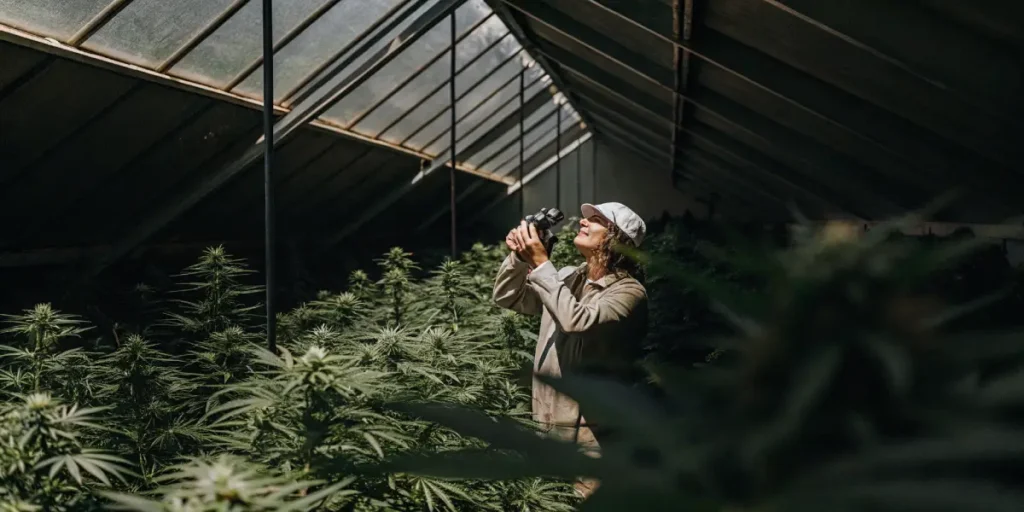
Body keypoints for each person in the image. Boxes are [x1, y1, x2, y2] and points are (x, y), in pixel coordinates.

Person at [492, 202, 649, 498]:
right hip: (548, 419)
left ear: (618, 240)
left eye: (597, 220)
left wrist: (541, 265)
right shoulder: (567, 276)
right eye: (587, 217)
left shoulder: (629, 292)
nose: (584, 222)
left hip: (594, 435)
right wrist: (520, 258)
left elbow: (577, 321)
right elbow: (509, 297)